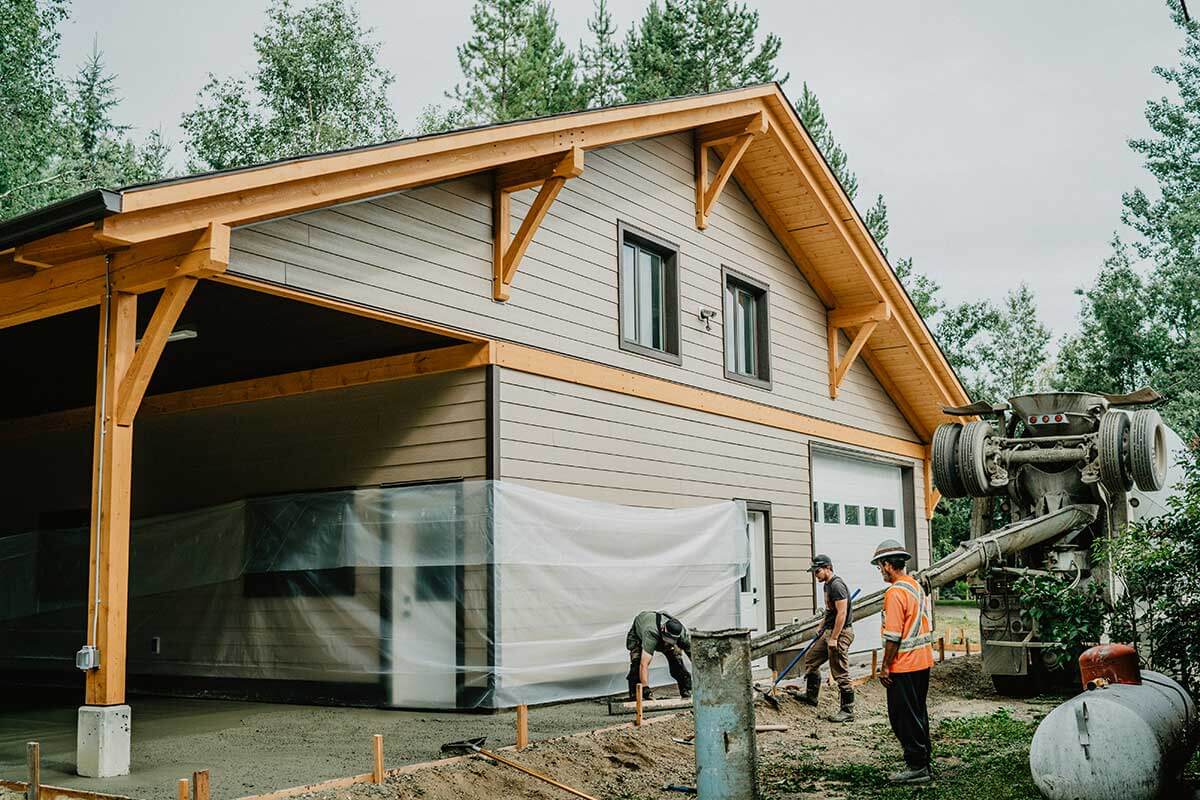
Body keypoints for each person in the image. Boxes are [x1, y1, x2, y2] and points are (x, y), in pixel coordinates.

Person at [872, 538, 934, 785]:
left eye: (880, 566)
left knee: (902, 717)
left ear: (888, 565)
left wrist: (885, 666)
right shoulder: (915, 587)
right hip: (922, 661)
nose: (881, 571)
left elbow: (893, 635)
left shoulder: (895, 592)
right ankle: (923, 760)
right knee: (917, 713)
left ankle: (917, 766)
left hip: (904, 665)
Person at [796, 553, 856, 722]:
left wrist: (835, 638)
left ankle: (847, 711)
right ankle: (811, 696)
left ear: (828, 568)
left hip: (841, 632)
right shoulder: (826, 585)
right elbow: (830, 611)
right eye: (814, 572)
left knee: (839, 671)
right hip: (829, 631)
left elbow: (842, 613)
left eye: (817, 571)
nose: (815, 576)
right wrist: (821, 626)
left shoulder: (837, 585)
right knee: (811, 659)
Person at [625, 610, 692, 701]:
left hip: (663, 632)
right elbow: (643, 664)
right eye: (667, 640)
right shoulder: (651, 632)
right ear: (663, 629)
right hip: (639, 633)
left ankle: (686, 689)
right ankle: (636, 694)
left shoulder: (682, 635)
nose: (667, 644)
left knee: (677, 661)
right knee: (637, 663)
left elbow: (695, 658)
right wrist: (645, 687)